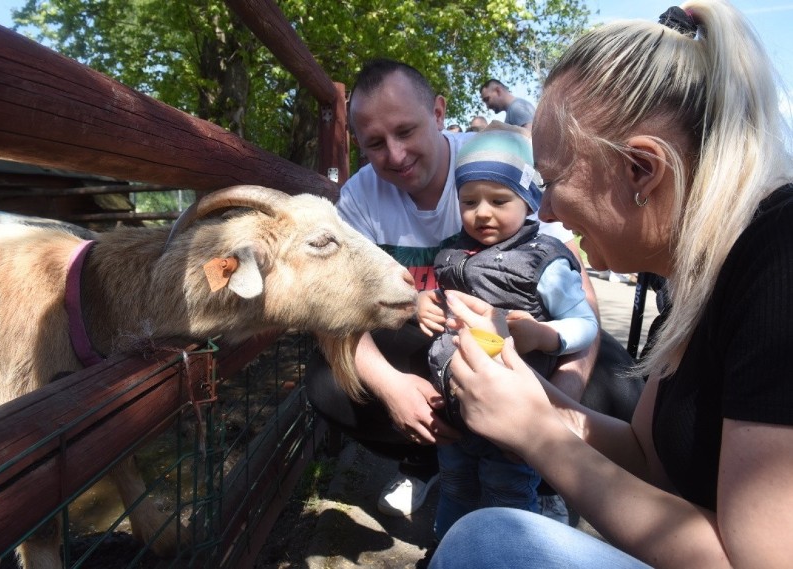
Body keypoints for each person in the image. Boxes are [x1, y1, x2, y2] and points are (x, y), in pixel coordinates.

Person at [429, 2, 793, 568]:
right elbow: (647, 455)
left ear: (642, 170)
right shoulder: (698, 273)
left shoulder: (780, 262)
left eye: (552, 182)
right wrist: (523, 389)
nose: (544, 210)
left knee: (486, 542)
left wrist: (536, 437)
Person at [304, 59, 605, 520]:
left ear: (440, 114)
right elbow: (332, 309)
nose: (396, 155)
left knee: (618, 388)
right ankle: (428, 463)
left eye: (406, 131)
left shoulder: (495, 161)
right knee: (330, 384)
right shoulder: (360, 198)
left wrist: (556, 405)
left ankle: (541, 476)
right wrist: (391, 389)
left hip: (524, 344)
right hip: (431, 343)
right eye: (375, 145)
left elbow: (580, 290)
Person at [416, 123, 598, 540]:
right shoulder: (451, 250)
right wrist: (422, 305)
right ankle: (448, 554)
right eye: (469, 201)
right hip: (456, 406)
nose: (482, 212)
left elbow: (584, 323)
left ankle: (512, 553)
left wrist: (542, 334)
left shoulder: (543, 261)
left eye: (500, 200)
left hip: (513, 413)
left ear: (530, 200)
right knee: (456, 487)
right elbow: (440, 301)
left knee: (509, 495)